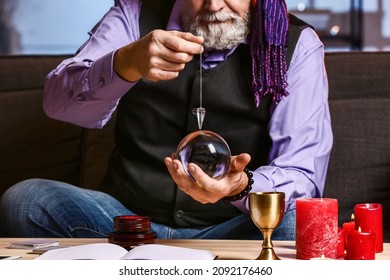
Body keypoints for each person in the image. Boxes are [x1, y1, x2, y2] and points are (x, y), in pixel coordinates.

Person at [0, 0, 332, 240]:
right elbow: (59, 105)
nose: (214, 5)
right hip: (127, 221)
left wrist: (240, 187)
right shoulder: (133, 16)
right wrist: (125, 63)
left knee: (295, 222)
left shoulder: (295, 45)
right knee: (26, 200)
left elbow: (301, 173)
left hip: (232, 227)